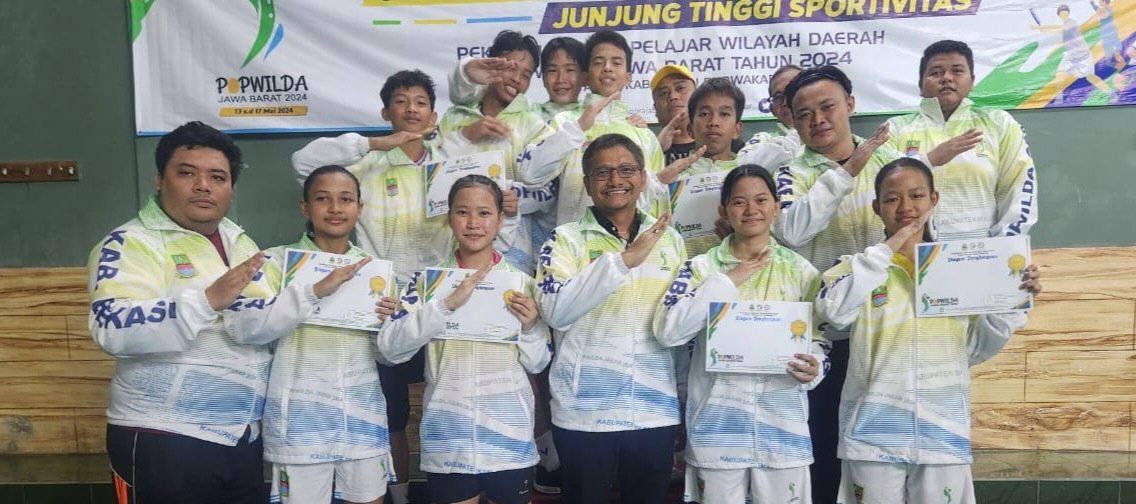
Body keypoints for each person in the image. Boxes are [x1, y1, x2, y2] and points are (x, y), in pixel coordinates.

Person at [88, 121, 362, 503]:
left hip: (240, 437)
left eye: (217, 177)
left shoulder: (240, 243)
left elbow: (256, 324)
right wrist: (206, 302)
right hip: (162, 437)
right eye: (187, 173)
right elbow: (111, 328)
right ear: (159, 180)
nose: (203, 185)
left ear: (230, 188)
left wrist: (314, 296)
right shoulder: (132, 242)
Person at [814, 158, 1042, 504]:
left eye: (917, 196)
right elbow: (834, 312)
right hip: (872, 434)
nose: (905, 207)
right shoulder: (854, 269)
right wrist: (886, 251)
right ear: (877, 207)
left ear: (934, 199)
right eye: (892, 199)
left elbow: (978, 347)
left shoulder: (960, 269)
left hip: (942, 432)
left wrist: (1013, 298)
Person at [291, 69, 448, 504]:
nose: (411, 109)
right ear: (385, 111)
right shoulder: (362, 163)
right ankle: (399, 497)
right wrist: (379, 143)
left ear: (433, 115)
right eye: (401, 101)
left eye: (420, 102)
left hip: (439, 301)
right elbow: (302, 162)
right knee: (391, 414)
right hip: (380, 303)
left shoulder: (450, 164)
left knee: (446, 401)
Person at [653, 164, 827, 504]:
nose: (751, 210)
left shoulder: (802, 271)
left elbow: (821, 338)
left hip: (783, 428)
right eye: (739, 202)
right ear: (724, 211)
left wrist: (815, 366)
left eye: (761, 200)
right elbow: (668, 330)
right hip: (717, 427)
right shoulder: (700, 269)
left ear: (777, 207)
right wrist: (728, 280)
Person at [379, 175, 551, 504]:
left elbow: (538, 362)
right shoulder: (427, 283)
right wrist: (444, 306)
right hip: (449, 437)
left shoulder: (521, 283)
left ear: (500, 220)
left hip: (508, 436)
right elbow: (391, 350)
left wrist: (530, 328)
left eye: (484, 213)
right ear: (449, 218)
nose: (473, 223)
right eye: (462, 212)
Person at [774, 65, 901, 504]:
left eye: (827, 106)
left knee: (884, 455)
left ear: (850, 104)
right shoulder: (790, 173)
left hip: (888, 332)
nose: (818, 119)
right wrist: (848, 171)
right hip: (824, 338)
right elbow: (792, 231)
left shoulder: (892, 163)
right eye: (804, 114)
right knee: (824, 451)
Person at [535, 134, 686, 503]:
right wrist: (622, 262)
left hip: (654, 410)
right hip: (583, 413)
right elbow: (556, 310)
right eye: (602, 173)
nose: (615, 180)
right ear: (587, 184)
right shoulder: (564, 240)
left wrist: (682, 398)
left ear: (643, 177)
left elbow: (680, 329)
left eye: (626, 170)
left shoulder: (670, 240)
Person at [263, 165, 401, 504]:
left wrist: (389, 324)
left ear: (359, 209)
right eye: (323, 199)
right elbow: (257, 332)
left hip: (362, 414)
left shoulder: (377, 272)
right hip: (299, 419)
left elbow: (387, 354)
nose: (335, 208)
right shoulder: (277, 263)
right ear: (305, 207)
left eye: (346, 199)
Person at [885, 40, 1039, 242]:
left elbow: (1019, 191)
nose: (947, 78)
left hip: (983, 252)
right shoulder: (895, 129)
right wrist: (929, 160)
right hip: (914, 252)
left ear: (972, 81)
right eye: (936, 72)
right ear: (920, 85)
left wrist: (1004, 247)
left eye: (957, 71)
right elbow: (883, 191)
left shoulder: (999, 124)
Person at [519, 30, 669, 226]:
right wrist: (578, 128)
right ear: (586, 76)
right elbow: (530, 174)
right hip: (575, 243)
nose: (607, 68)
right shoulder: (565, 123)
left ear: (628, 77)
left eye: (616, 63)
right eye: (598, 62)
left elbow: (658, 205)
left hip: (634, 243)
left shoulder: (645, 136)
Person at [1030, 4, 1116, 96]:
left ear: (1068, 14)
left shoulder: (1072, 23)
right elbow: (1056, 26)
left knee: (1091, 77)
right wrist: (1039, 28)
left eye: (1066, 13)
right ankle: (1059, 96)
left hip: (1083, 55)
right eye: (1062, 14)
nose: (1064, 15)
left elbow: (1060, 30)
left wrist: (1046, 30)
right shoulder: (1065, 24)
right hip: (1071, 55)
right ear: (1059, 15)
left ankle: (1110, 92)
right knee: (1059, 74)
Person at [737, 64, 803, 172]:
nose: (786, 102)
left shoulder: (828, 131)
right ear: (772, 109)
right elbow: (744, 168)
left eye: (793, 92)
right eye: (778, 97)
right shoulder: (763, 139)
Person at [651, 64, 698, 164]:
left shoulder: (718, 146)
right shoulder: (644, 154)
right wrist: (657, 150)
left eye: (680, 88)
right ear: (655, 109)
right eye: (664, 93)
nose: (673, 96)